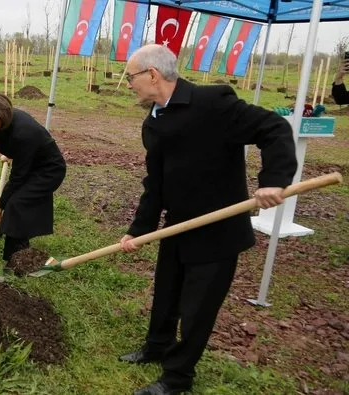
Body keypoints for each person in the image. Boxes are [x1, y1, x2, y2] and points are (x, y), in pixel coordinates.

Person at [117, 44, 297, 395]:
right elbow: (156, 184)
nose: (128, 84)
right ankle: (156, 346)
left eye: (131, 77)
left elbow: (273, 127)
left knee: (197, 309)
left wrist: (274, 179)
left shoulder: (212, 104)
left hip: (218, 230)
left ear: (153, 74)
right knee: (167, 292)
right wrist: (138, 231)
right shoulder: (154, 122)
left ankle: (177, 377)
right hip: (178, 225)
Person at [0, 93, 66, 262]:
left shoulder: (23, 133)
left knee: (17, 204)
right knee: (17, 204)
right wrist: (12, 154)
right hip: (33, 164)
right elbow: (19, 148)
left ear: (1, 115)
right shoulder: (11, 119)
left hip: (49, 171)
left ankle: (16, 258)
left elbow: (18, 176)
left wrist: (0, 206)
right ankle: (18, 249)